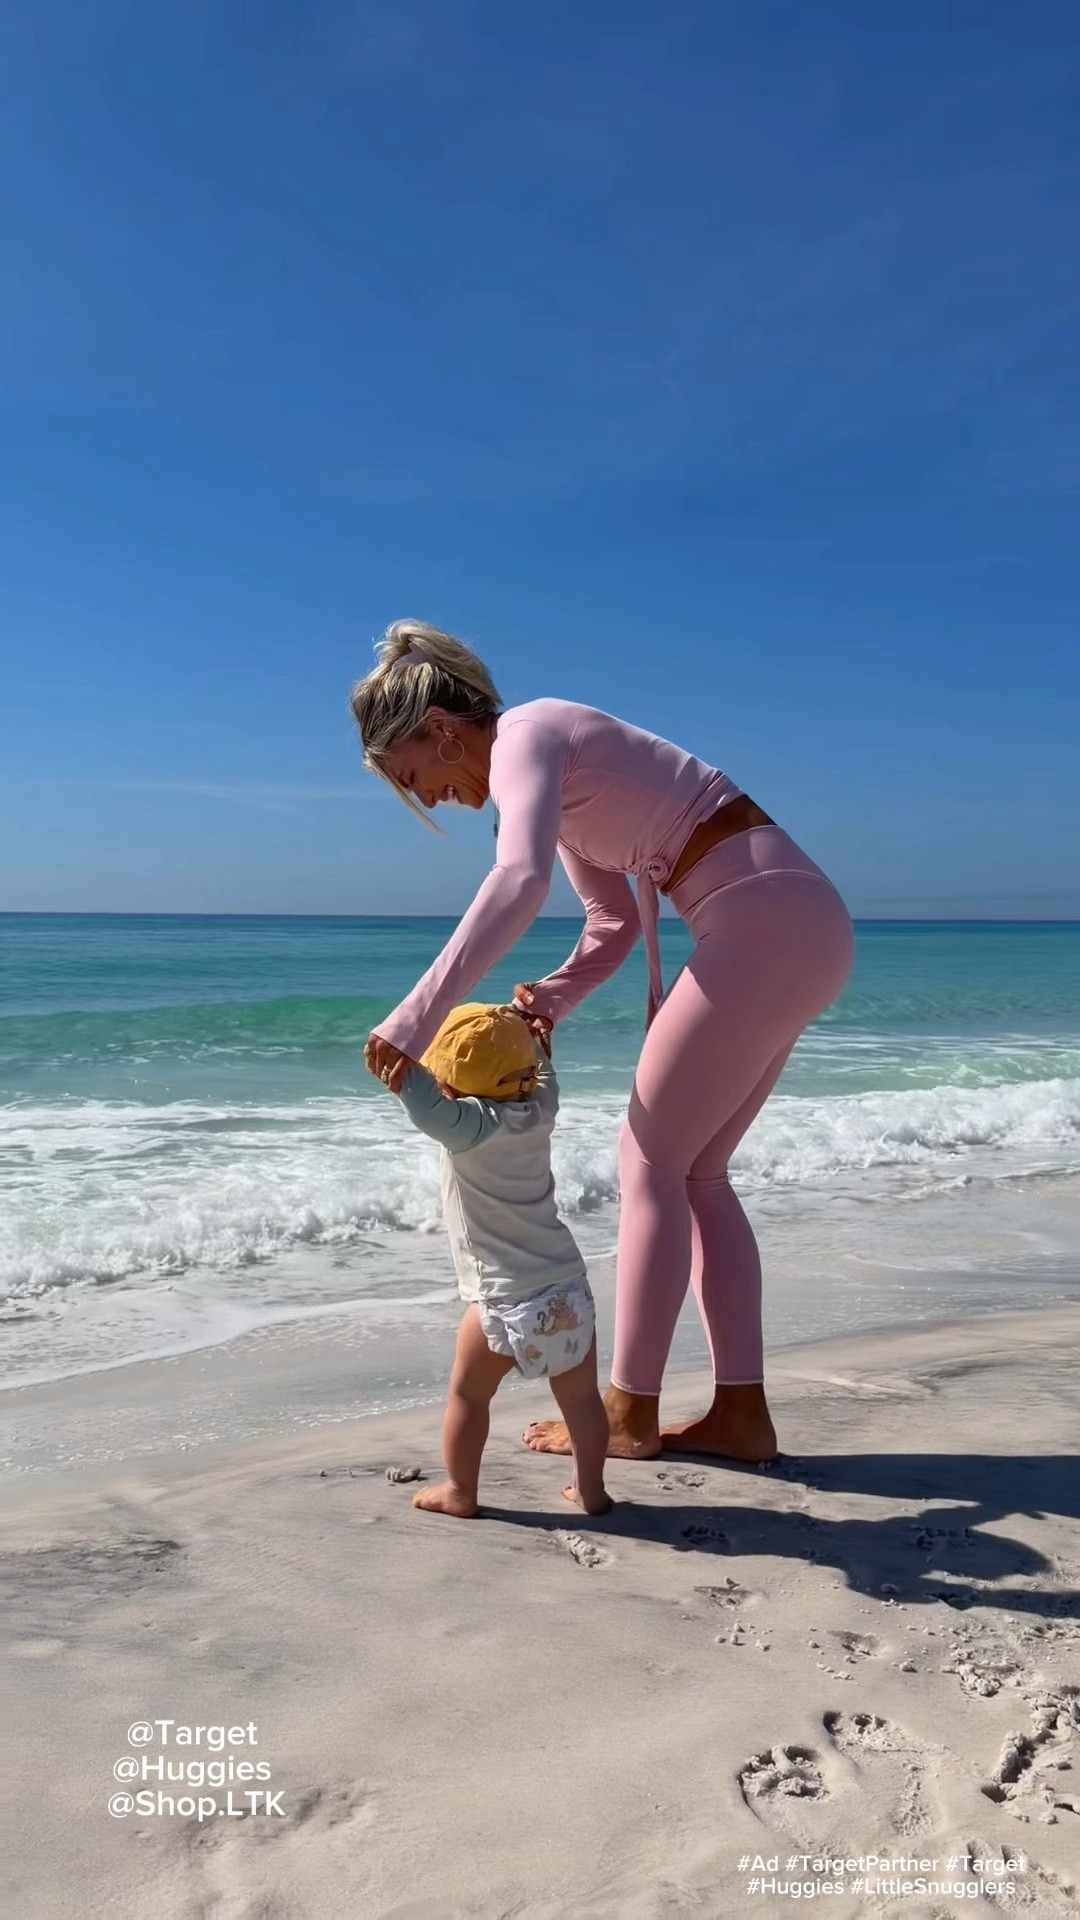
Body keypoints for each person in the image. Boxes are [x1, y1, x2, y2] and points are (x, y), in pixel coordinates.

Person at [357, 620, 854, 1466]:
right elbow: (613, 920)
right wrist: (553, 996)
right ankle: (742, 1414)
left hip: (761, 919)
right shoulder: (543, 779)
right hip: (800, 922)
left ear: (443, 730)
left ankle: (630, 1411)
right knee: (696, 1173)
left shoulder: (528, 734)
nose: (429, 799)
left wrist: (413, 1017)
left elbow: (518, 881)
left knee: (648, 1164)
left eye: (417, 778)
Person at [386, 999, 611, 1520]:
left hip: (505, 1296)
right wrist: (534, 1043)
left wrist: (398, 1054)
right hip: (567, 1287)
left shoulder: (467, 1128)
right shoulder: (541, 1109)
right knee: (580, 1402)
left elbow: (423, 1104)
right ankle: (591, 1491)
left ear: (451, 1078)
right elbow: (546, 1075)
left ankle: (461, 1492)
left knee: (468, 1397)